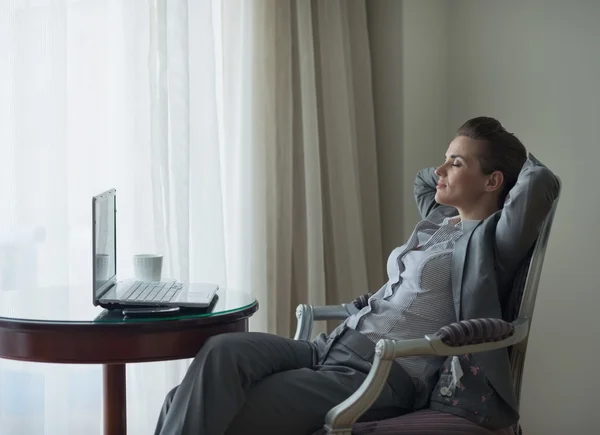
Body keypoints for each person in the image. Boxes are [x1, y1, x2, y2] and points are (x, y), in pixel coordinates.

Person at [154, 117, 560, 435]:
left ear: (492, 181)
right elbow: (425, 180)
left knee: (189, 407)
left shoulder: (492, 245)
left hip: (381, 374)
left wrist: (514, 158)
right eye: (446, 158)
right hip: (329, 347)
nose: (440, 170)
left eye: (456, 163)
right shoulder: (441, 223)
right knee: (222, 351)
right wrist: (460, 161)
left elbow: (540, 184)